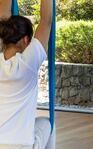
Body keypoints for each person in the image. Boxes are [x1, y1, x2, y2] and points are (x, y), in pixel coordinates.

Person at [0, 0, 55, 148]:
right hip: (22, 145)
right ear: (26, 40)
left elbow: (2, 15)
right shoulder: (28, 63)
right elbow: (46, 21)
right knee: (47, 124)